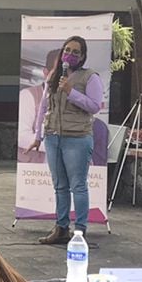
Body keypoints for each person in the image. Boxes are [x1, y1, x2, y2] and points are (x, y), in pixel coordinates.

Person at [26, 35, 105, 245]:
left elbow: (95, 106)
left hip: (77, 139)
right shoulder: (54, 76)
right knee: (59, 186)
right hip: (53, 137)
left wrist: (71, 92)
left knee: (78, 186)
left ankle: (79, 231)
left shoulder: (90, 77)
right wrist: (38, 137)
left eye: (75, 52)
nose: (69, 54)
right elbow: (44, 106)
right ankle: (61, 228)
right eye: (67, 50)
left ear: (83, 56)